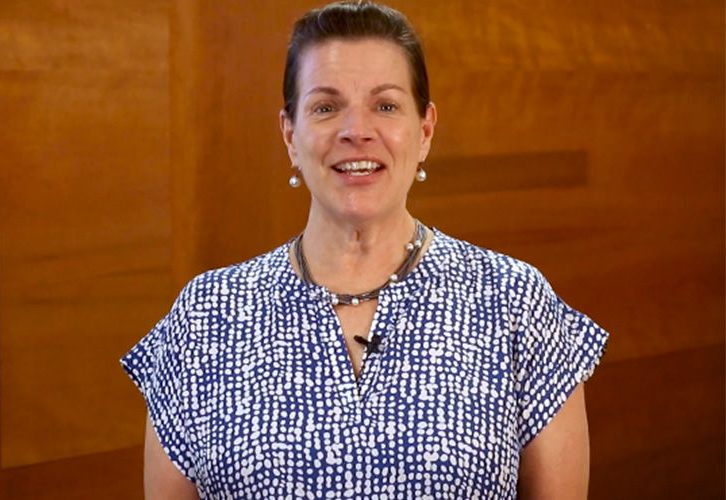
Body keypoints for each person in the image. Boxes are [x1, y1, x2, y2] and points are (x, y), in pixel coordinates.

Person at [121, 1, 609, 498]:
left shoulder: (514, 302)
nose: (357, 130)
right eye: (326, 107)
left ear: (424, 131)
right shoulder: (206, 315)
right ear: (291, 134)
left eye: (386, 105)